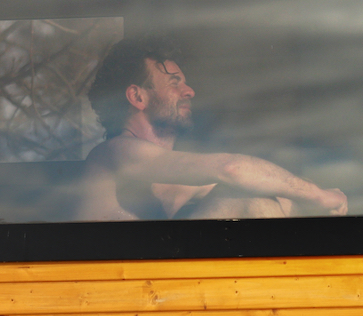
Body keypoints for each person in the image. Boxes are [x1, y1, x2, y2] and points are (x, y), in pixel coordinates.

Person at [79, 38, 348, 221]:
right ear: (138, 97)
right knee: (242, 197)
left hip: (164, 283)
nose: (189, 91)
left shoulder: (175, 180)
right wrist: (318, 195)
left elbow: (261, 183)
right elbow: (231, 169)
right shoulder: (112, 154)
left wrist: (319, 202)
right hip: (113, 286)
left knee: (257, 197)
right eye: (174, 83)